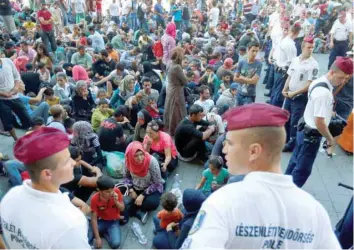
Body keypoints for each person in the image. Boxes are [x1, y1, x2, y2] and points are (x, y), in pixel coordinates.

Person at [183, 103, 341, 249]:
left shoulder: (223, 203)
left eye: (229, 143)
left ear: (253, 151)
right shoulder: (315, 211)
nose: (224, 150)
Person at [0, 127, 90, 248]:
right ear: (47, 174)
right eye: (66, 161)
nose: (73, 163)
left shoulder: (10, 197)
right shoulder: (70, 223)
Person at [285, 57, 353, 188]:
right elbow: (319, 121)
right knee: (302, 170)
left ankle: (284, 188)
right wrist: (329, 138)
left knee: (294, 162)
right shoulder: (324, 93)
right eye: (342, 77)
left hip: (303, 129)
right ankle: (289, 194)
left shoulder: (320, 82)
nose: (343, 82)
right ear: (332, 72)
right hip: (311, 136)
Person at [282, 36, 319, 152]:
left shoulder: (313, 64)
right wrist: (284, 89)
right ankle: (285, 139)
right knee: (286, 118)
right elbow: (290, 76)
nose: (311, 49)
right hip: (289, 94)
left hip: (299, 96)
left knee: (295, 121)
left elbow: (309, 84)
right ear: (303, 47)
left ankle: (292, 144)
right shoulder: (295, 60)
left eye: (312, 47)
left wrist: (294, 93)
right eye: (309, 47)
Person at [123, 141, 164, 224]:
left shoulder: (151, 161)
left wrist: (142, 195)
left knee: (152, 203)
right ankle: (138, 209)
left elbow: (157, 182)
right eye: (136, 156)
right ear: (130, 156)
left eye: (141, 154)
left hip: (151, 188)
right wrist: (131, 190)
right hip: (135, 186)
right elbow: (126, 177)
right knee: (118, 192)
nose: (140, 158)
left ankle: (137, 208)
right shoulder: (128, 161)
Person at [88, 175, 124, 249]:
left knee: (115, 244)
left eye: (112, 190)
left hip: (113, 221)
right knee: (89, 236)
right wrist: (97, 238)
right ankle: (102, 232)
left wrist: (116, 202)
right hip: (101, 220)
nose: (111, 193)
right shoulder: (94, 199)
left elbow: (122, 209)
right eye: (107, 192)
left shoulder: (116, 191)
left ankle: (104, 233)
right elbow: (94, 219)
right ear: (99, 190)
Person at [0, 57, 32, 141]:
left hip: (15, 96)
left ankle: (29, 137)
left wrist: (16, 87)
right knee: (8, 122)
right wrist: (3, 93)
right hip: (1, 100)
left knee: (26, 117)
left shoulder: (7, 61)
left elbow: (16, 75)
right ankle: (16, 139)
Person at [270, 23, 300, 107]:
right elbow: (292, 63)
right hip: (283, 72)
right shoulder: (291, 45)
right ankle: (274, 115)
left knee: (274, 92)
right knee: (279, 96)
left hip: (278, 69)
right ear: (297, 33)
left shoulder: (284, 40)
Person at [163, 47, 188, 136]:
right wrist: (184, 73)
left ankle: (170, 129)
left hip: (170, 89)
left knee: (171, 109)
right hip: (176, 91)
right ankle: (177, 130)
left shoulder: (169, 63)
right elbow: (185, 81)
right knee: (177, 111)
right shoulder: (177, 67)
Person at [233, 41, 262, 106]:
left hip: (250, 95)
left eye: (257, 51)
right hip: (239, 93)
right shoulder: (242, 62)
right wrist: (249, 80)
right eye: (253, 51)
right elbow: (235, 78)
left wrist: (241, 77)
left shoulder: (259, 64)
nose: (255, 53)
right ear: (248, 50)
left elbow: (254, 81)